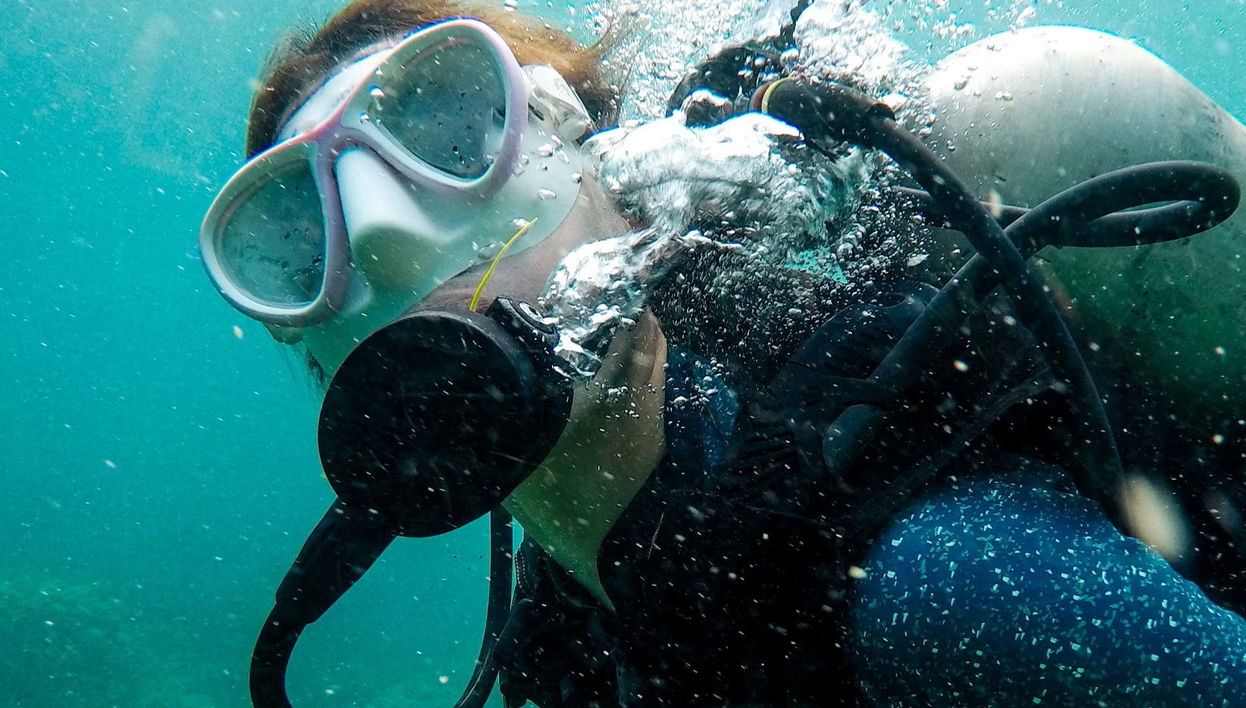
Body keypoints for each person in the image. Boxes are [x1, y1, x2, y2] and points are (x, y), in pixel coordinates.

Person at [199, 0, 1246, 705]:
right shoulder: (565, 635)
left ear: (596, 162)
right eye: (295, 234)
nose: (383, 236)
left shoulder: (943, 581)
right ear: (314, 358)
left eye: (448, 125)